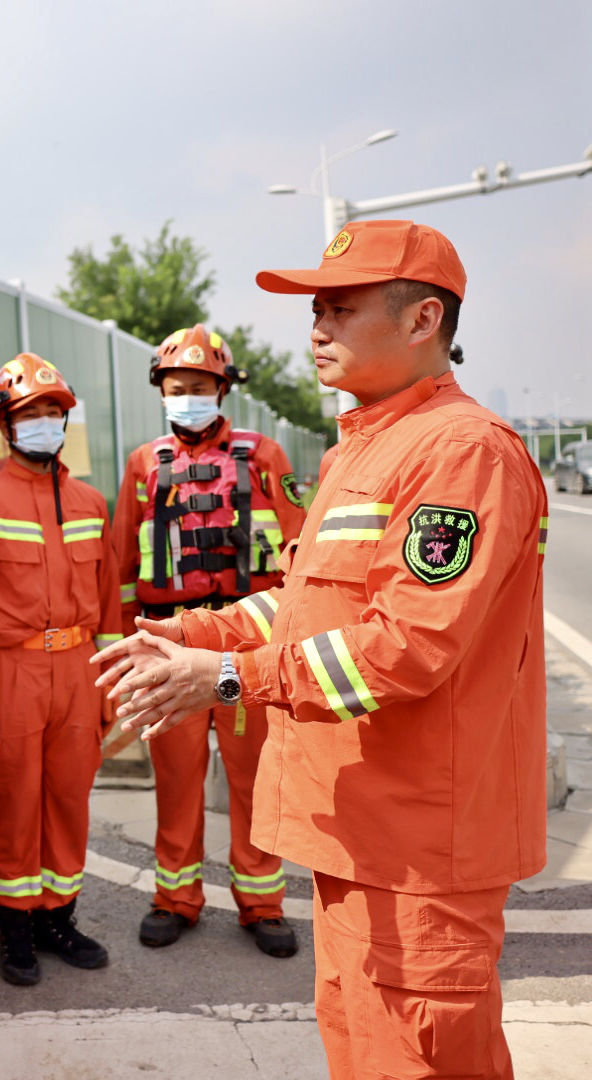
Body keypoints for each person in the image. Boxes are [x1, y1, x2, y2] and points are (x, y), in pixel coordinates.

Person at [95, 219, 546, 1080]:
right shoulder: (366, 446)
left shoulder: (461, 452)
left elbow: (405, 648)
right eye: (315, 311)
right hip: (364, 836)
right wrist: (193, 632)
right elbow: (309, 605)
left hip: (421, 854)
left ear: (422, 321)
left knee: (416, 1059)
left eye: (339, 307)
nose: (316, 329)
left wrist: (226, 676)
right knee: (362, 1050)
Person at [110, 323, 307, 958]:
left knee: (256, 778)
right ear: (161, 391)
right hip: (170, 646)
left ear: (222, 390)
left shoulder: (266, 457)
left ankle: (262, 903)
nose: (188, 396)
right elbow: (119, 565)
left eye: (200, 386)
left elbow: (300, 553)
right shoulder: (143, 464)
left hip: (247, 645)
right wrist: (127, 649)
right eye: (177, 387)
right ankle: (175, 898)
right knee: (177, 777)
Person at [0, 354, 119, 986]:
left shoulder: (91, 502)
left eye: (53, 412)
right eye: (29, 414)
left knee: (69, 797)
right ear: (3, 424)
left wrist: (109, 677)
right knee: (15, 800)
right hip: (14, 672)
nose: (44, 423)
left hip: (78, 667)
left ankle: (58, 918)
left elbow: (108, 600)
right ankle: (16, 928)